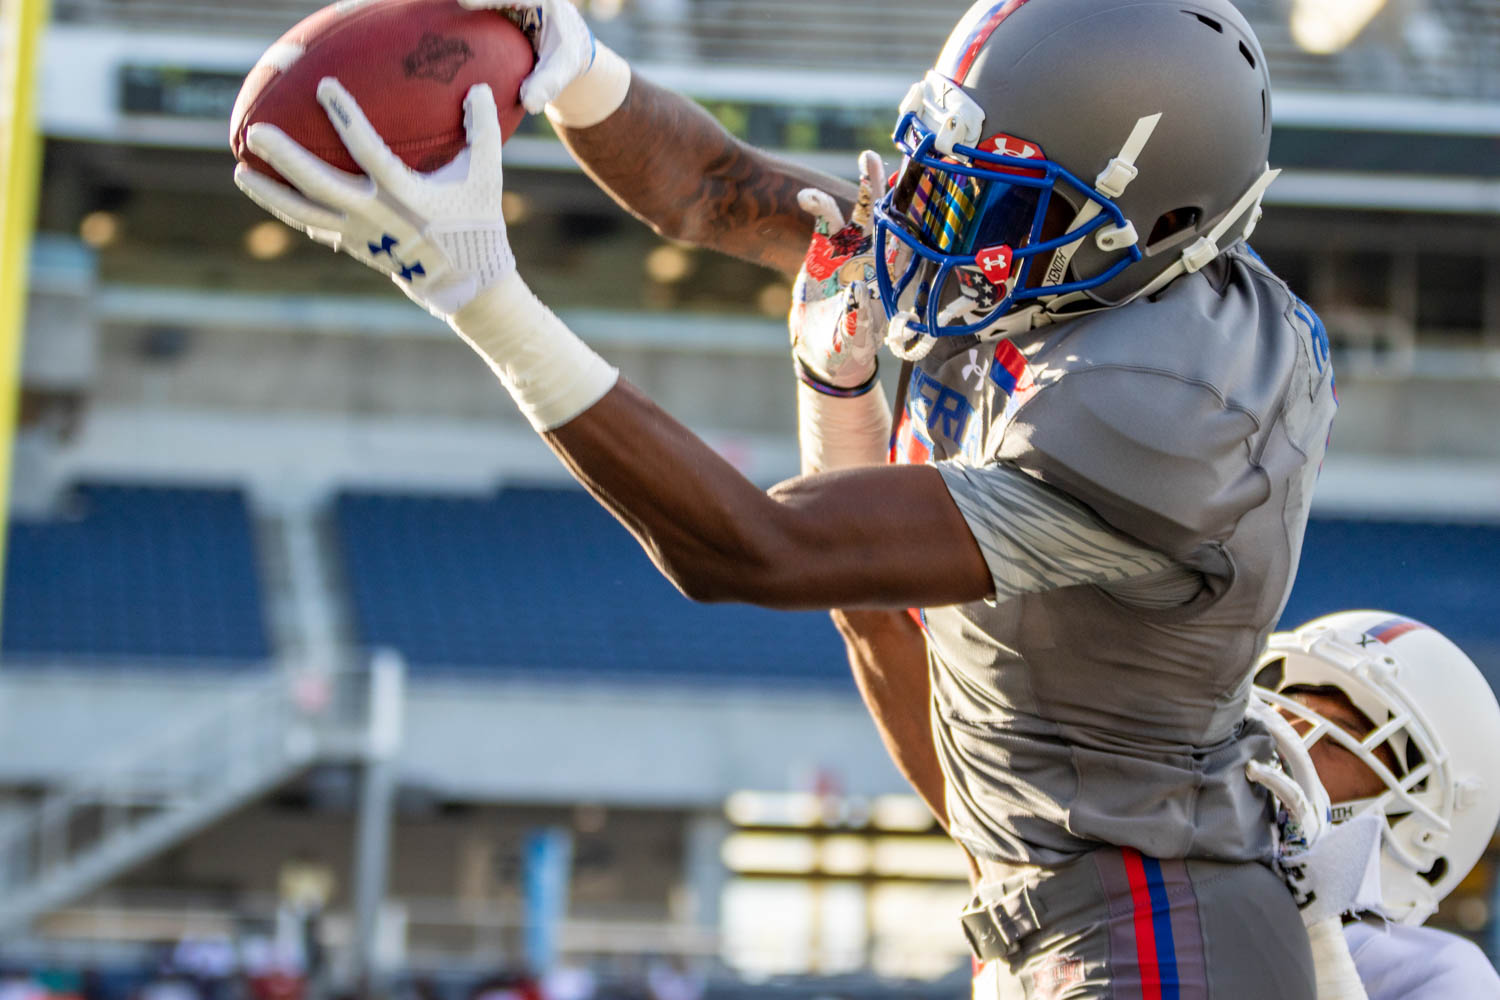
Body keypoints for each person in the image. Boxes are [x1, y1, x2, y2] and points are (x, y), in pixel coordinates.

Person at [234, 0, 1338, 993]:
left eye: (998, 198)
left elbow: (756, 551)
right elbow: (715, 190)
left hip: (1161, 928)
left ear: (1147, 229)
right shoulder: (1045, 278)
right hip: (1046, 908)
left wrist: (485, 297)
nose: (940, 220)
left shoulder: (1176, 405)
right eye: (946, 166)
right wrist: (570, 64)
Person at [1255, 611, 1500, 999]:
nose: (1286, 744)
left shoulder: (1441, 974)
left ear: (1416, 824)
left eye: (1337, 740)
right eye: (1283, 714)